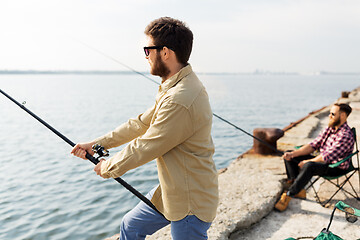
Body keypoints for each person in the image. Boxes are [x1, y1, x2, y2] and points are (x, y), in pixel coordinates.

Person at [71, 17, 218, 239]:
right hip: (172, 190)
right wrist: (96, 145)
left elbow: (147, 146)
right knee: (131, 227)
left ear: (165, 52)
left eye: (148, 50)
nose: (146, 56)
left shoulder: (180, 98)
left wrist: (108, 166)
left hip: (190, 200)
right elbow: (140, 124)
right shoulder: (175, 87)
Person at [275, 103, 354, 211]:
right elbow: (313, 145)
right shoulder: (330, 128)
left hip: (335, 167)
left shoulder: (345, 135)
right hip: (322, 161)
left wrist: (308, 161)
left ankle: (289, 194)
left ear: (343, 116)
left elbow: (327, 156)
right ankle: (298, 188)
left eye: (332, 114)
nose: (329, 116)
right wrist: (293, 154)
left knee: (309, 166)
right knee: (290, 155)